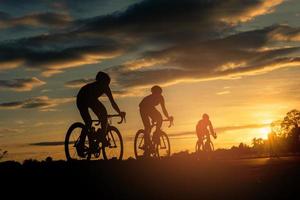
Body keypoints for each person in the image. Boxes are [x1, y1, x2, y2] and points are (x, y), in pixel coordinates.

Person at [76, 71, 125, 157]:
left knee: (103, 113)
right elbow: (92, 104)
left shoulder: (106, 88)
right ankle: (81, 145)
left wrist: (119, 112)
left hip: (91, 100)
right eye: (105, 83)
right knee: (88, 122)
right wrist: (99, 116)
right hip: (82, 99)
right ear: (99, 82)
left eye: (108, 84)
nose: (106, 86)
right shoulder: (93, 87)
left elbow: (112, 102)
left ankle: (100, 136)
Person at [139, 85, 172, 155]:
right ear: (152, 93)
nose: (156, 95)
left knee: (159, 118)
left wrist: (168, 117)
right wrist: (153, 118)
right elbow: (149, 111)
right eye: (154, 93)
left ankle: (156, 134)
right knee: (147, 127)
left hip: (150, 108)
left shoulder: (161, 98)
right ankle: (146, 144)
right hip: (143, 108)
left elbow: (164, 109)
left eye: (158, 93)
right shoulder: (149, 98)